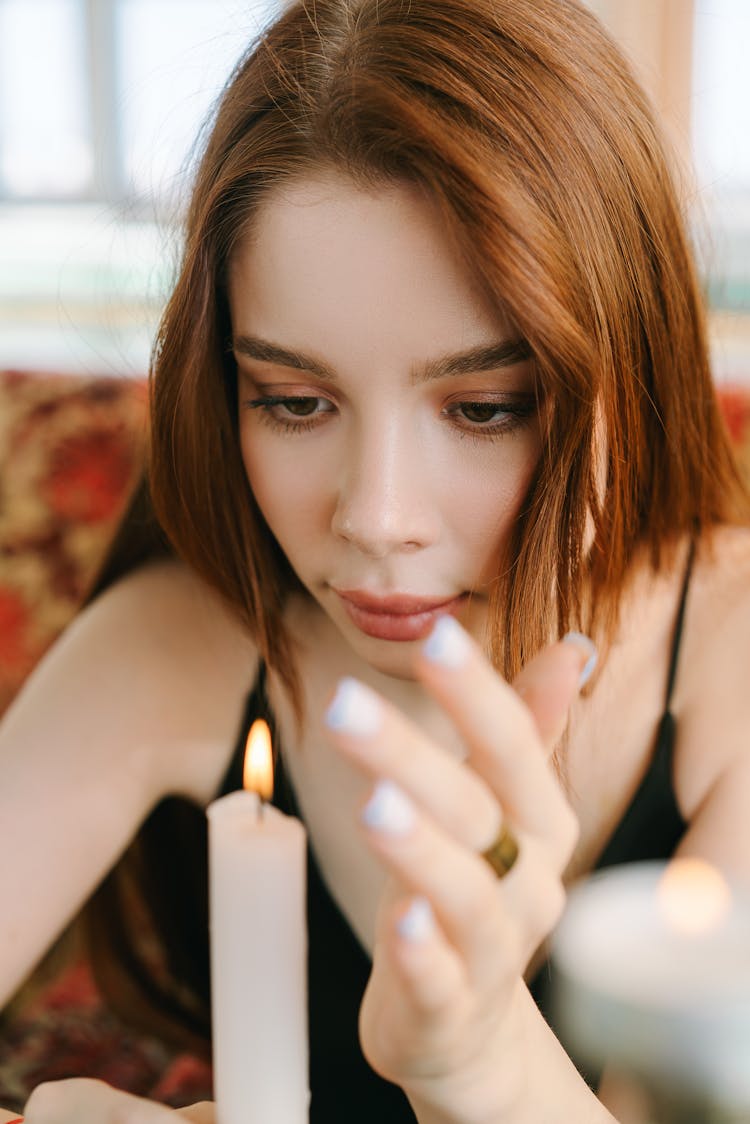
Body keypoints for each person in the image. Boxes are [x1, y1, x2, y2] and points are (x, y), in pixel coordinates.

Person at [1, 0, 749, 1120]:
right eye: (295, 401)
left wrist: (480, 1057)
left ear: (628, 375)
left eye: (485, 407)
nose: (377, 517)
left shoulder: (730, 658)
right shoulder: (186, 640)